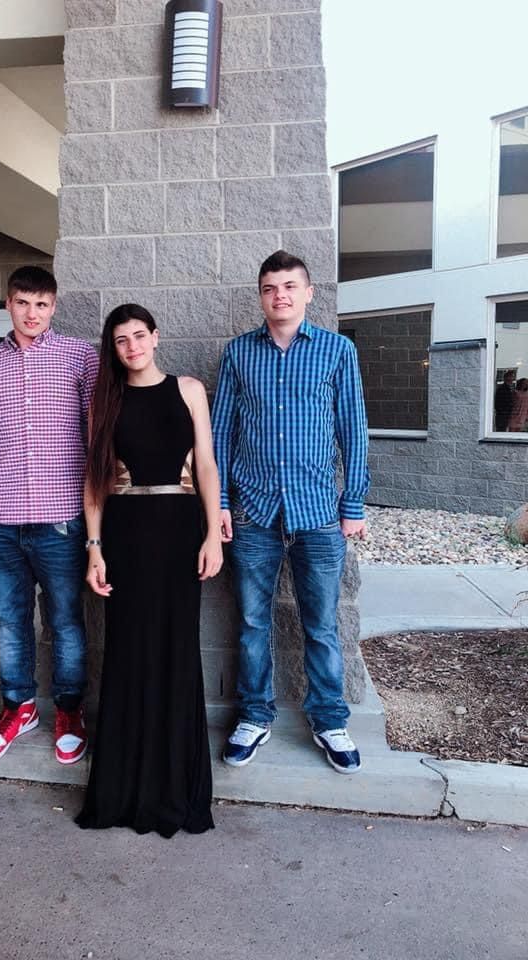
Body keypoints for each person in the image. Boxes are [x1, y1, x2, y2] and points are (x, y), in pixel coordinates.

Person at [212, 251, 370, 775]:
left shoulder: (336, 351)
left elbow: (354, 430)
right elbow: (220, 436)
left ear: (308, 293)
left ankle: (329, 720)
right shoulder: (238, 354)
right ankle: (254, 716)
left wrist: (353, 504)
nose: (279, 295)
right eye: (269, 287)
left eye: (288, 286)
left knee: (321, 625)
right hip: (253, 514)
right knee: (253, 624)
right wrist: (221, 505)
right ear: (260, 296)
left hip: (320, 515)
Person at [75, 304, 223, 837]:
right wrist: (94, 547)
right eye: (121, 340)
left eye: (140, 336)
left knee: (177, 651)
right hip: (126, 532)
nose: (133, 346)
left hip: (181, 530)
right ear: (112, 348)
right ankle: (123, 790)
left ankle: (176, 788)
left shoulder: (189, 390)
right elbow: (93, 479)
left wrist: (212, 533)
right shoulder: (104, 399)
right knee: (128, 652)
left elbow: (206, 464)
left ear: (156, 337)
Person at [0, 266, 98, 766]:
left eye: (41, 303)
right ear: (8, 305)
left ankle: (69, 711)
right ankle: (19, 708)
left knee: (64, 621)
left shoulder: (81, 356)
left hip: (62, 521)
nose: (32, 313)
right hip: (0, 522)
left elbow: (96, 436)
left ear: (54, 306)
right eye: (22, 302)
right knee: (10, 622)